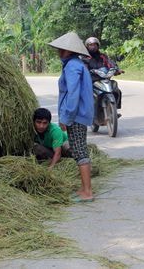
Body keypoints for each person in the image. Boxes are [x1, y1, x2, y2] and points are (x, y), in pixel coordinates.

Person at [48, 31, 95, 202]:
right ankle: (85, 188)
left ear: (70, 51)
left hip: (75, 115)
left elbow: (73, 94)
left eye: (63, 49)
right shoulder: (77, 64)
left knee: (79, 150)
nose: (59, 52)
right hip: (80, 114)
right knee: (80, 148)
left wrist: (66, 118)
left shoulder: (72, 66)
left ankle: (87, 192)